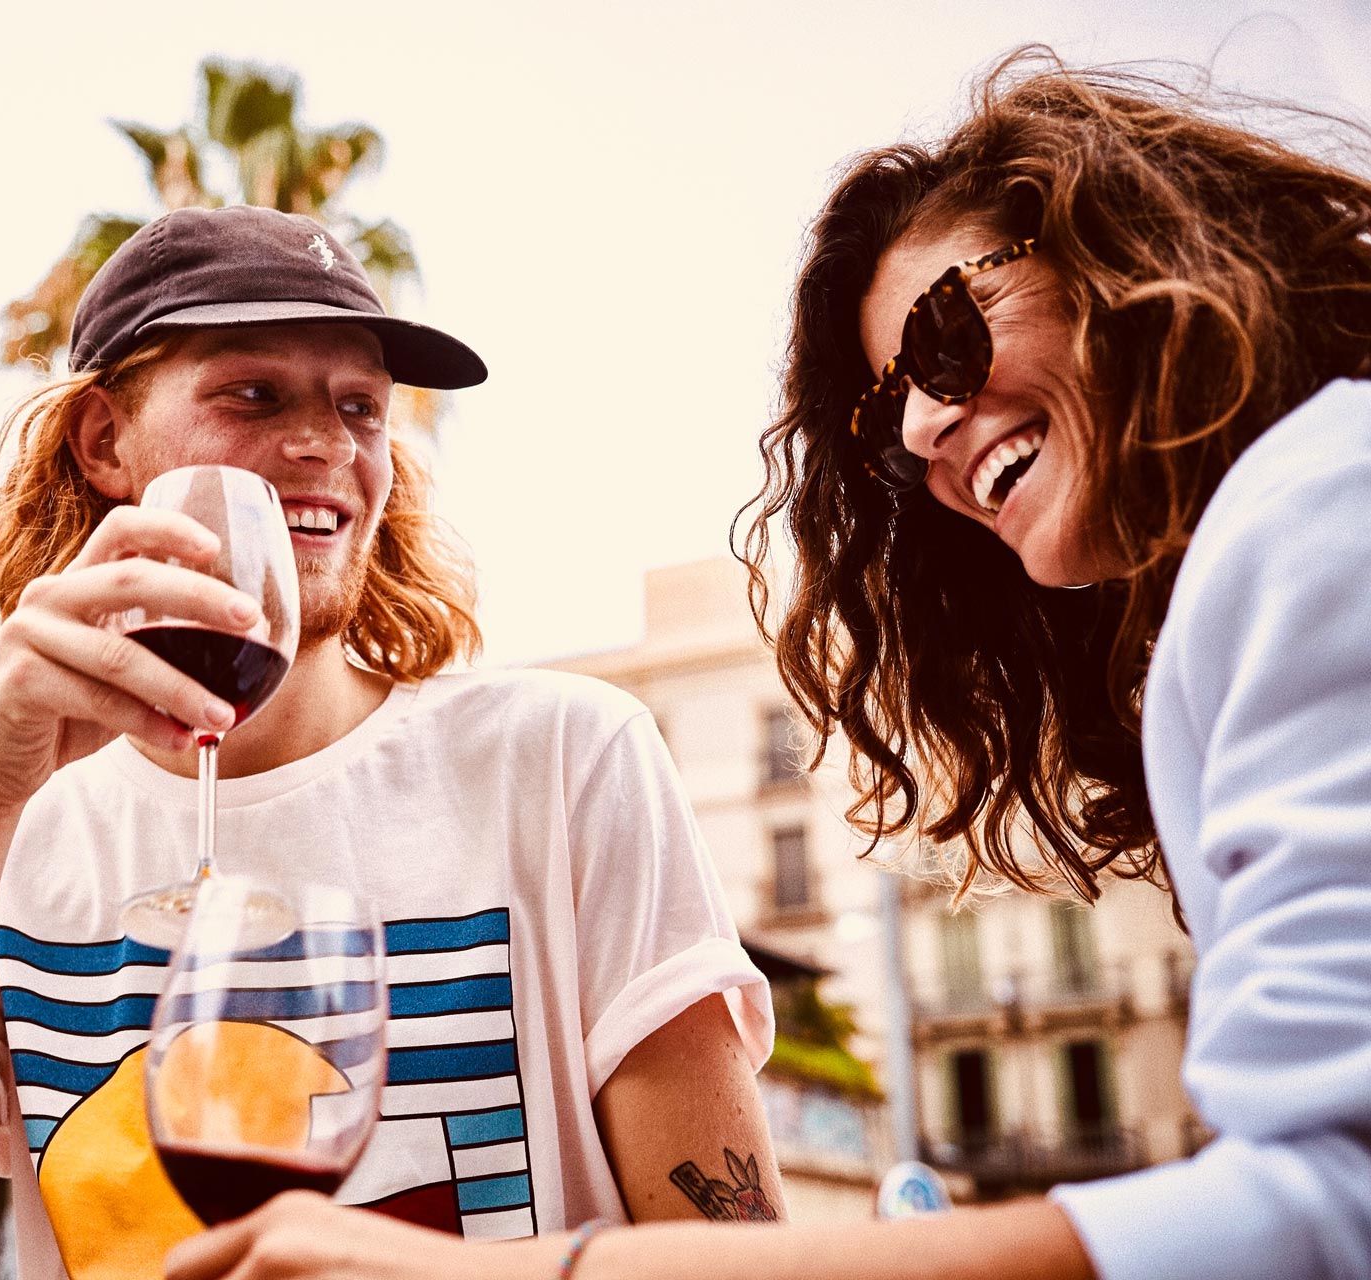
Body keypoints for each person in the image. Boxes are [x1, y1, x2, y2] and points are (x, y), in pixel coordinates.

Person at [156, 52, 1371, 1280]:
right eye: (889, 424)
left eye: (946, 335)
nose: (924, 431)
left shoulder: (1313, 508)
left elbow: (1336, 1199)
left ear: (1122, 251)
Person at [0, 204, 782, 1280]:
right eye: (253, 393)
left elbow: (733, 1252)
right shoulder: (11, 832)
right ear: (105, 442)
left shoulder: (564, 759)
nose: (327, 443)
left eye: (361, 406)